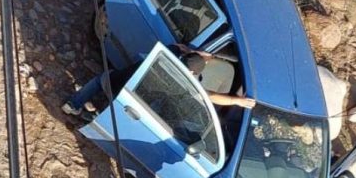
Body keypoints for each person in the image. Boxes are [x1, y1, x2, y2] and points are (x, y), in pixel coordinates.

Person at [61, 43, 254, 117]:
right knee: (116, 111)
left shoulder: (170, 52)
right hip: (130, 96)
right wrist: (237, 100)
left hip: (116, 80)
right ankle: (98, 118)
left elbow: (180, 47)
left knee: (98, 81)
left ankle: (72, 104)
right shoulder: (181, 85)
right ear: (193, 75)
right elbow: (210, 96)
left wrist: (196, 54)